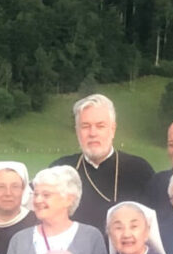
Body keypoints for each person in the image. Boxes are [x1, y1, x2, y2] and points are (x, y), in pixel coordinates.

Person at [50, 94, 156, 230]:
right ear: (77, 131)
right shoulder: (60, 170)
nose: (92, 133)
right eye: (85, 126)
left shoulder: (140, 170)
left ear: (112, 129)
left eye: (100, 126)